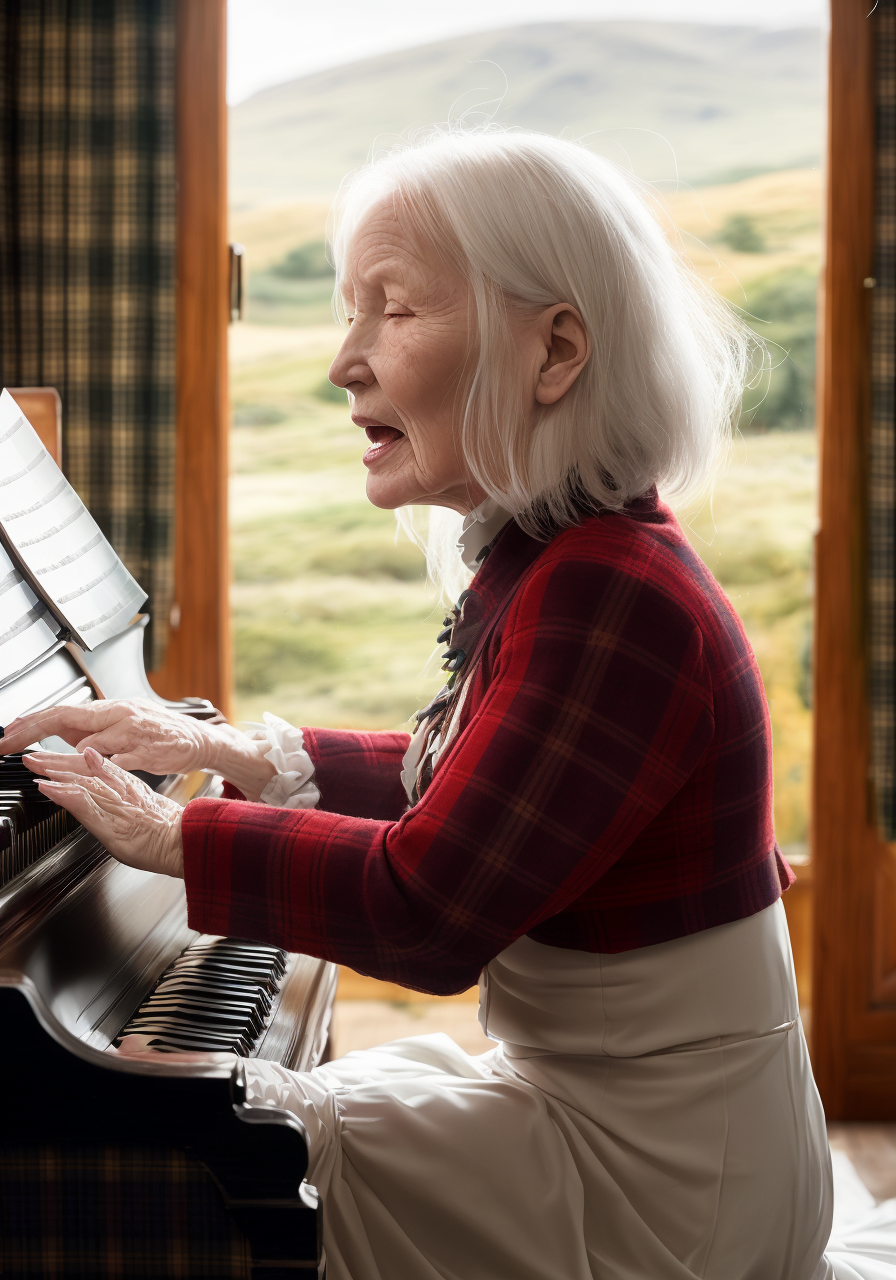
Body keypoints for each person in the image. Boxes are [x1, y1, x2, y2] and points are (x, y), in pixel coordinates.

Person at [1, 129, 890, 1280]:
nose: (344, 361)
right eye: (346, 310)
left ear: (553, 348)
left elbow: (427, 911)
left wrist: (168, 830)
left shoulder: (610, 594)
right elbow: (486, 776)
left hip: (658, 1188)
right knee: (278, 1112)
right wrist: (225, 746)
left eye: (393, 310)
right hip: (639, 1127)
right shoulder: (573, 556)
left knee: (226, 1162)